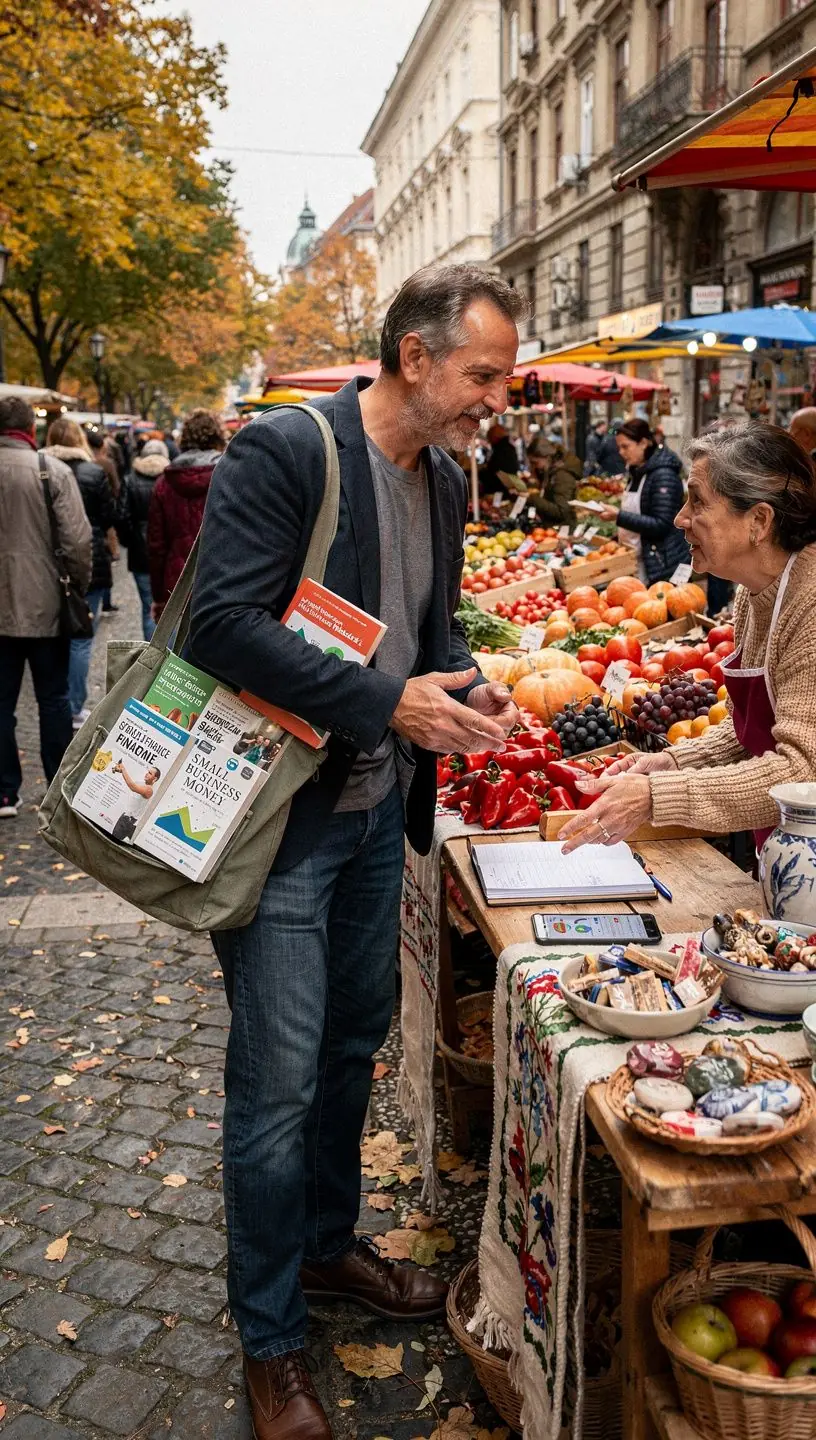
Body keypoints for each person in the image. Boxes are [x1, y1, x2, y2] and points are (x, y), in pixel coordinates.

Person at [188, 263, 524, 1440]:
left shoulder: (445, 480)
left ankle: (327, 1250)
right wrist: (391, 701)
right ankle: (271, 1340)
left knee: (351, 1045)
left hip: (378, 818)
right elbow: (218, 623)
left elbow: (430, 638)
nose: (497, 398)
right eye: (483, 375)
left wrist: (482, 690)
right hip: (280, 830)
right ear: (417, 357)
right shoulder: (289, 451)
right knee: (274, 1088)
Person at [560, 421, 816, 854]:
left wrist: (654, 796)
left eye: (697, 502)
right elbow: (746, 731)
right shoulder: (753, 594)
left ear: (759, 520)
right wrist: (670, 761)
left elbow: (802, 773)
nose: (680, 518)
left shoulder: (809, 604)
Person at [0, 397, 91, 817]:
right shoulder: (50, 471)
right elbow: (77, 541)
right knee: (53, 699)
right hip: (46, 606)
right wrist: (79, 586)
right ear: (30, 430)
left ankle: (4, 790)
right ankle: (55, 783)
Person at [43, 418, 117, 728]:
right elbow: (108, 516)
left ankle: (59, 701)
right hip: (91, 561)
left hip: (47, 565)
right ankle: (73, 705)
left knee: (53, 635)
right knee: (82, 637)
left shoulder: (39, 470)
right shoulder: (92, 471)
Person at [148, 409, 226, 620]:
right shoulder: (231, 477)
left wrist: (158, 597)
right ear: (219, 437)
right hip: (222, 583)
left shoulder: (163, 484)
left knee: (177, 652)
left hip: (176, 586)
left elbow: (157, 547)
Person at [596, 417, 690, 583]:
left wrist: (618, 516)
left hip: (661, 564)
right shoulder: (636, 472)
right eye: (619, 447)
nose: (621, 452)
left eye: (626, 446)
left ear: (644, 443)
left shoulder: (663, 475)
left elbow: (661, 524)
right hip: (637, 559)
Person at [118, 439, 170, 639]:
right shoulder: (169, 479)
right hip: (166, 552)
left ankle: (151, 660)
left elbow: (122, 515)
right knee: (171, 608)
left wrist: (130, 540)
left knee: (148, 607)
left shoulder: (131, 479)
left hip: (139, 553)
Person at [86, 429, 121, 613]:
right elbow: (116, 488)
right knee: (104, 559)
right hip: (100, 523)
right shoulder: (105, 464)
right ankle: (106, 601)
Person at [527, 435, 582, 527]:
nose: (534, 466)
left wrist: (532, 498)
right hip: (552, 525)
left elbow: (561, 511)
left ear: (547, 457)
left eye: (535, 462)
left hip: (562, 529)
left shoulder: (562, 476)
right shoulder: (551, 470)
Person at [109, 760, 161, 841]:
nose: (147, 773)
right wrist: (121, 771)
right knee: (114, 839)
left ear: (154, 779)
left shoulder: (149, 790)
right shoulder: (141, 783)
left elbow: (132, 786)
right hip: (125, 817)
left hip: (129, 821)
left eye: (150, 773)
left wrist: (123, 769)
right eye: (148, 771)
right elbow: (131, 783)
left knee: (114, 840)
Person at [481, 420, 519, 491]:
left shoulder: (502, 450)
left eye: (489, 437)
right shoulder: (507, 447)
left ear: (495, 437)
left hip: (500, 490)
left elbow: (495, 470)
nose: (489, 441)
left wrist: (482, 474)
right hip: (505, 488)